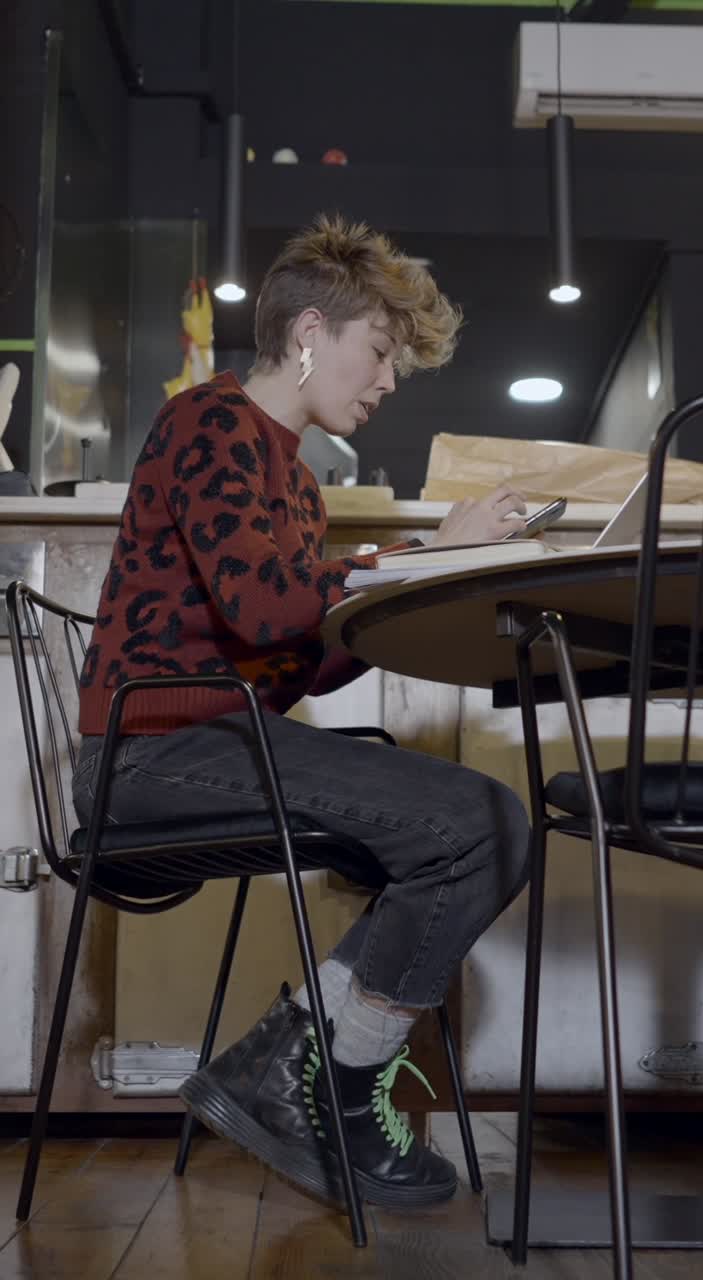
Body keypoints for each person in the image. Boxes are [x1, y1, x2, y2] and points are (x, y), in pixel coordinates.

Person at [73, 215, 530, 1210]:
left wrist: (408, 589)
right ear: (311, 331)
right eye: (381, 351)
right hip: (148, 758)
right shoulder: (209, 423)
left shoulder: (295, 477)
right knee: (481, 821)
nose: (390, 380)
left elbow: (297, 660)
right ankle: (328, 1083)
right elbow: (266, 604)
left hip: (218, 742)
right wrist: (421, 556)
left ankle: (297, 1064)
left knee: (481, 822)